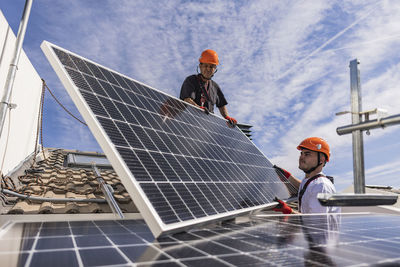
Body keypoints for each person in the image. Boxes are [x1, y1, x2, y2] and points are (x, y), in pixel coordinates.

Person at [273, 137, 340, 214]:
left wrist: (289, 211)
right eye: (301, 153)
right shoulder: (311, 181)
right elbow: (306, 188)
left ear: (321, 160)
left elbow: (316, 224)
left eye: (307, 154)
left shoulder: (321, 186)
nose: (301, 157)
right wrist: (288, 177)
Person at [179, 49, 237, 126]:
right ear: (200, 66)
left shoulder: (215, 86)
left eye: (212, 66)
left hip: (207, 125)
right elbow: (187, 100)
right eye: (206, 65)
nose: (208, 69)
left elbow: (221, 105)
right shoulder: (191, 80)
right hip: (189, 122)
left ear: (215, 69)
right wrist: (198, 108)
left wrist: (227, 117)